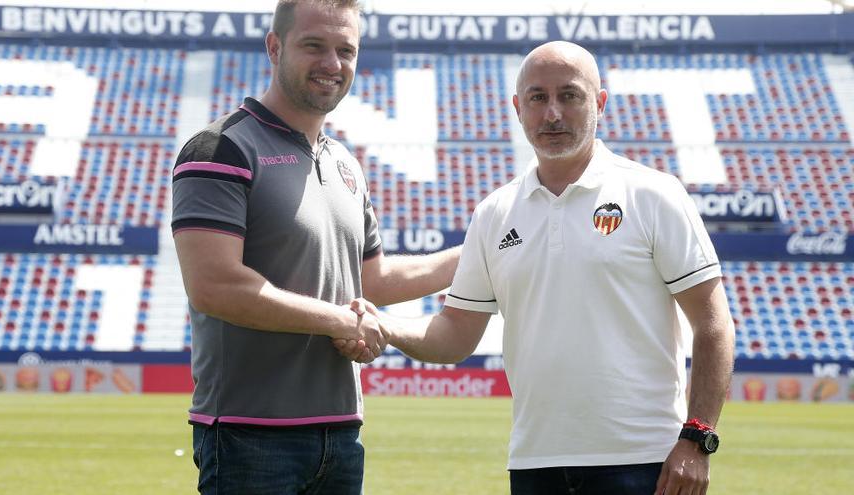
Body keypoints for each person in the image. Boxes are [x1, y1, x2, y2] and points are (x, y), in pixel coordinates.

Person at [341, 41, 735, 495]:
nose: (552, 113)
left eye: (569, 95)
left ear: (600, 103)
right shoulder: (494, 213)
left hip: (644, 461)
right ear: (517, 107)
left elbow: (714, 325)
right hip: (535, 463)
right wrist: (386, 328)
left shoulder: (654, 195)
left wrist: (697, 438)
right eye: (537, 98)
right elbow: (454, 333)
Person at [171, 1, 459, 493]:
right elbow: (215, 287)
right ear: (274, 46)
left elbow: (373, 281)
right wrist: (343, 322)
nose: (333, 63)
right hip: (249, 436)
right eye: (314, 46)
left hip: (342, 433)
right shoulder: (220, 148)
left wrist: (480, 251)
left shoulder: (347, 163)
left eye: (346, 50)